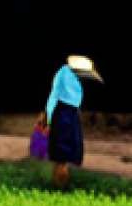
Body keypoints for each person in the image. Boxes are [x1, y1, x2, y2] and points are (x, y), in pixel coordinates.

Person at [43, 56, 103, 190]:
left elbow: (75, 99)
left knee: (70, 146)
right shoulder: (63, 73)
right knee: (61, 148)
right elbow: (54, 94)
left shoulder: (77, 80)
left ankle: (63, 180)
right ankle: (59, 181)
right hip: (62, 113)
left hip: (71, 113)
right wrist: (48, 115)